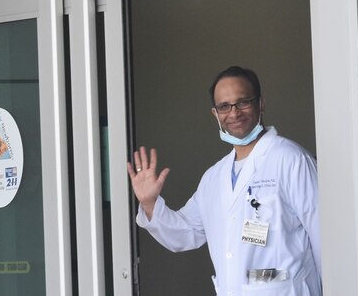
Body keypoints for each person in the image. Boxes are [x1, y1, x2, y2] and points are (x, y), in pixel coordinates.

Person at [127, 65, 321, 296]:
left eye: (243, 102)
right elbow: (186, 233)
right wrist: (149, 203)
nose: (234, 113)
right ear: (215, 113)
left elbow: (324, 238)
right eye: (224, 106)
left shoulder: (291, 160)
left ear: (261, 103)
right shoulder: (214, 177)